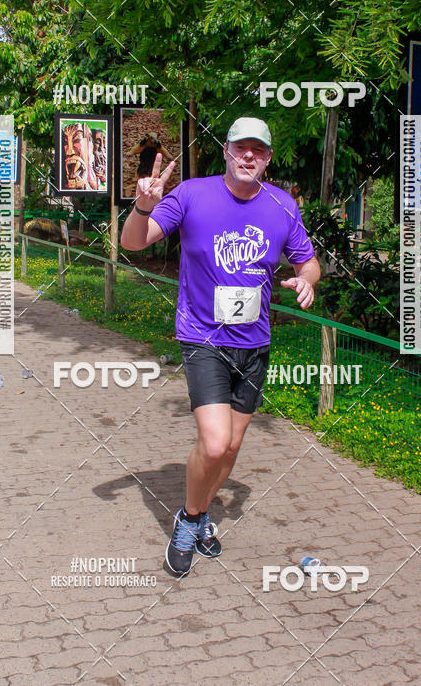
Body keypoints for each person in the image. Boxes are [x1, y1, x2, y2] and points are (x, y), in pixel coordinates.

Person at [120, 117, 320, 577]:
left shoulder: (282, 205)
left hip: (254, 342)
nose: (249, 156)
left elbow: (309, 264)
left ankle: (202, 512)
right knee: (213, 443)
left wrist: (306, 282)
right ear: (226, 151)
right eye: (240, 148)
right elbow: (133, 242)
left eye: (259, 150)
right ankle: (189, 521)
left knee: (230, 448)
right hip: (203, 338)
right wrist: (142, 207)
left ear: (268, 159)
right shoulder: (192, 193)